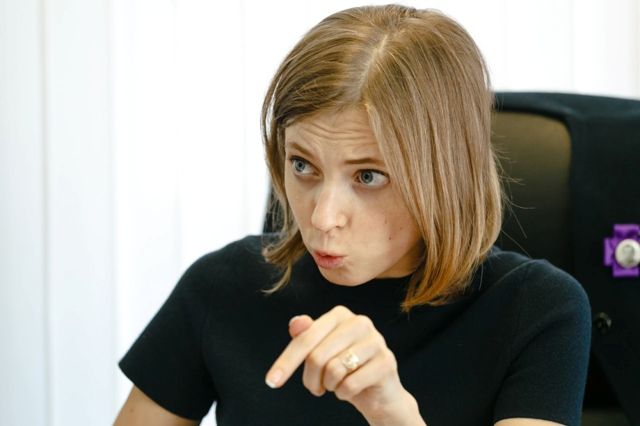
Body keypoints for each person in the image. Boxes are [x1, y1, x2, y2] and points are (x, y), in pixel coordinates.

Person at [114, 5, 591, 426]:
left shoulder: (537, 310)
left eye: (368, 176)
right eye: (303, 166)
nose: (323, 218)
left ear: (447, 175)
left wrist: (390, 414)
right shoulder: (221, 288)